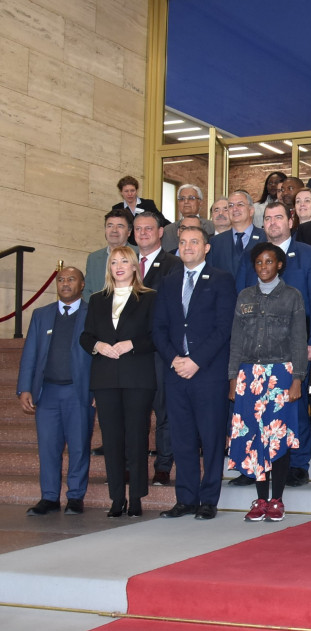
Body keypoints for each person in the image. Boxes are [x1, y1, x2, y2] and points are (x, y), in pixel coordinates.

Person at [153, 225, 236, 520]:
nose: (188, 246)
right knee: (182, 438)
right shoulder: (168, 281)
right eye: (183, 242)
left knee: (211, 438)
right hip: (176, 372)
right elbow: (158, 327)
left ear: (206, 247)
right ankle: (185, 498)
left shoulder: (222, 280)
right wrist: (175, 358)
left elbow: (224, 327)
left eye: (194, 242)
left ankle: (208, 500)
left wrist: (196, 360)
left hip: (208, 372)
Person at [228, 244, 308, 522]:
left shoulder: (292, 296)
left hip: (280, 374)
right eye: (259, 262)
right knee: (253, 439)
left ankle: (277, 500)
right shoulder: (244, 296)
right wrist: (232, 377)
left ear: (280, 265)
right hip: (248, 376)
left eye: (269, 261)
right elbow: (236, 341)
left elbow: (299, 340)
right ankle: (260, 499)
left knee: (278, 437)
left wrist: (298, 378)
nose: (264, 266)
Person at [80, 246, 157, 517]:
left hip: (137, 377)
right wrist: (98, 345)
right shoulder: (97, 299)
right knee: (111, 440)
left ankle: (135, 497)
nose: (119, 266)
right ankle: (116, 498)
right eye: (114, 262)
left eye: (125, 261)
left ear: (135, 266)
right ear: (109, 268)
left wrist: (131, 344)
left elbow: (156, 336)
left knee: (136, 438)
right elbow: (85, 336)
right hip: (105, 378)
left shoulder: (149, 298)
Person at [18, 267, 94, 516]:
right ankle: (49, 497)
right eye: (61, 280)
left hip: (78, 391)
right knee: (48, 447)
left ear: (82, 285)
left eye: (71, 279)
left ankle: (75, 497)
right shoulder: (41, 315)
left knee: (79, 446)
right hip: (47, 392)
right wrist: (25, 388)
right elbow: (30, 353)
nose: (65, 283)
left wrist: (97, 390)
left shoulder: (92, 313)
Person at [132, 211, 181, 486]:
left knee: (164, 412)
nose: (143, 233)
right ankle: (133, 466)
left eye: (148, 228)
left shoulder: (173, 264)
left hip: (160, 351)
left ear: (161, 232)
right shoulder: (125, 263)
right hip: (131, 354)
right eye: (138, 229)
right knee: (135, 413)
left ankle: (163, 466)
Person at [208, 190, 265, 275]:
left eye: (240, 204)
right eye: (230, 206)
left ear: (251, 210)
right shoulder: (215, 242)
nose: (235, 209)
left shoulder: (266, 237)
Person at [84, 209, 135, 301]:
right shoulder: (94, 258)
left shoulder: (138, 254)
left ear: (129, 231)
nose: (114, 230)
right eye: (110, 226)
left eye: (120, 226)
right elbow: (87, 290)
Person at [112, 175, 162, 245]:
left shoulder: (148, 204)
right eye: (126, 191)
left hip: (146, 242)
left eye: (132, 190)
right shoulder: (117, 208)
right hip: (127, 246)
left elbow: (161, 220)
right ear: (121, 192)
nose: (130, 194)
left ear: (137, 190)